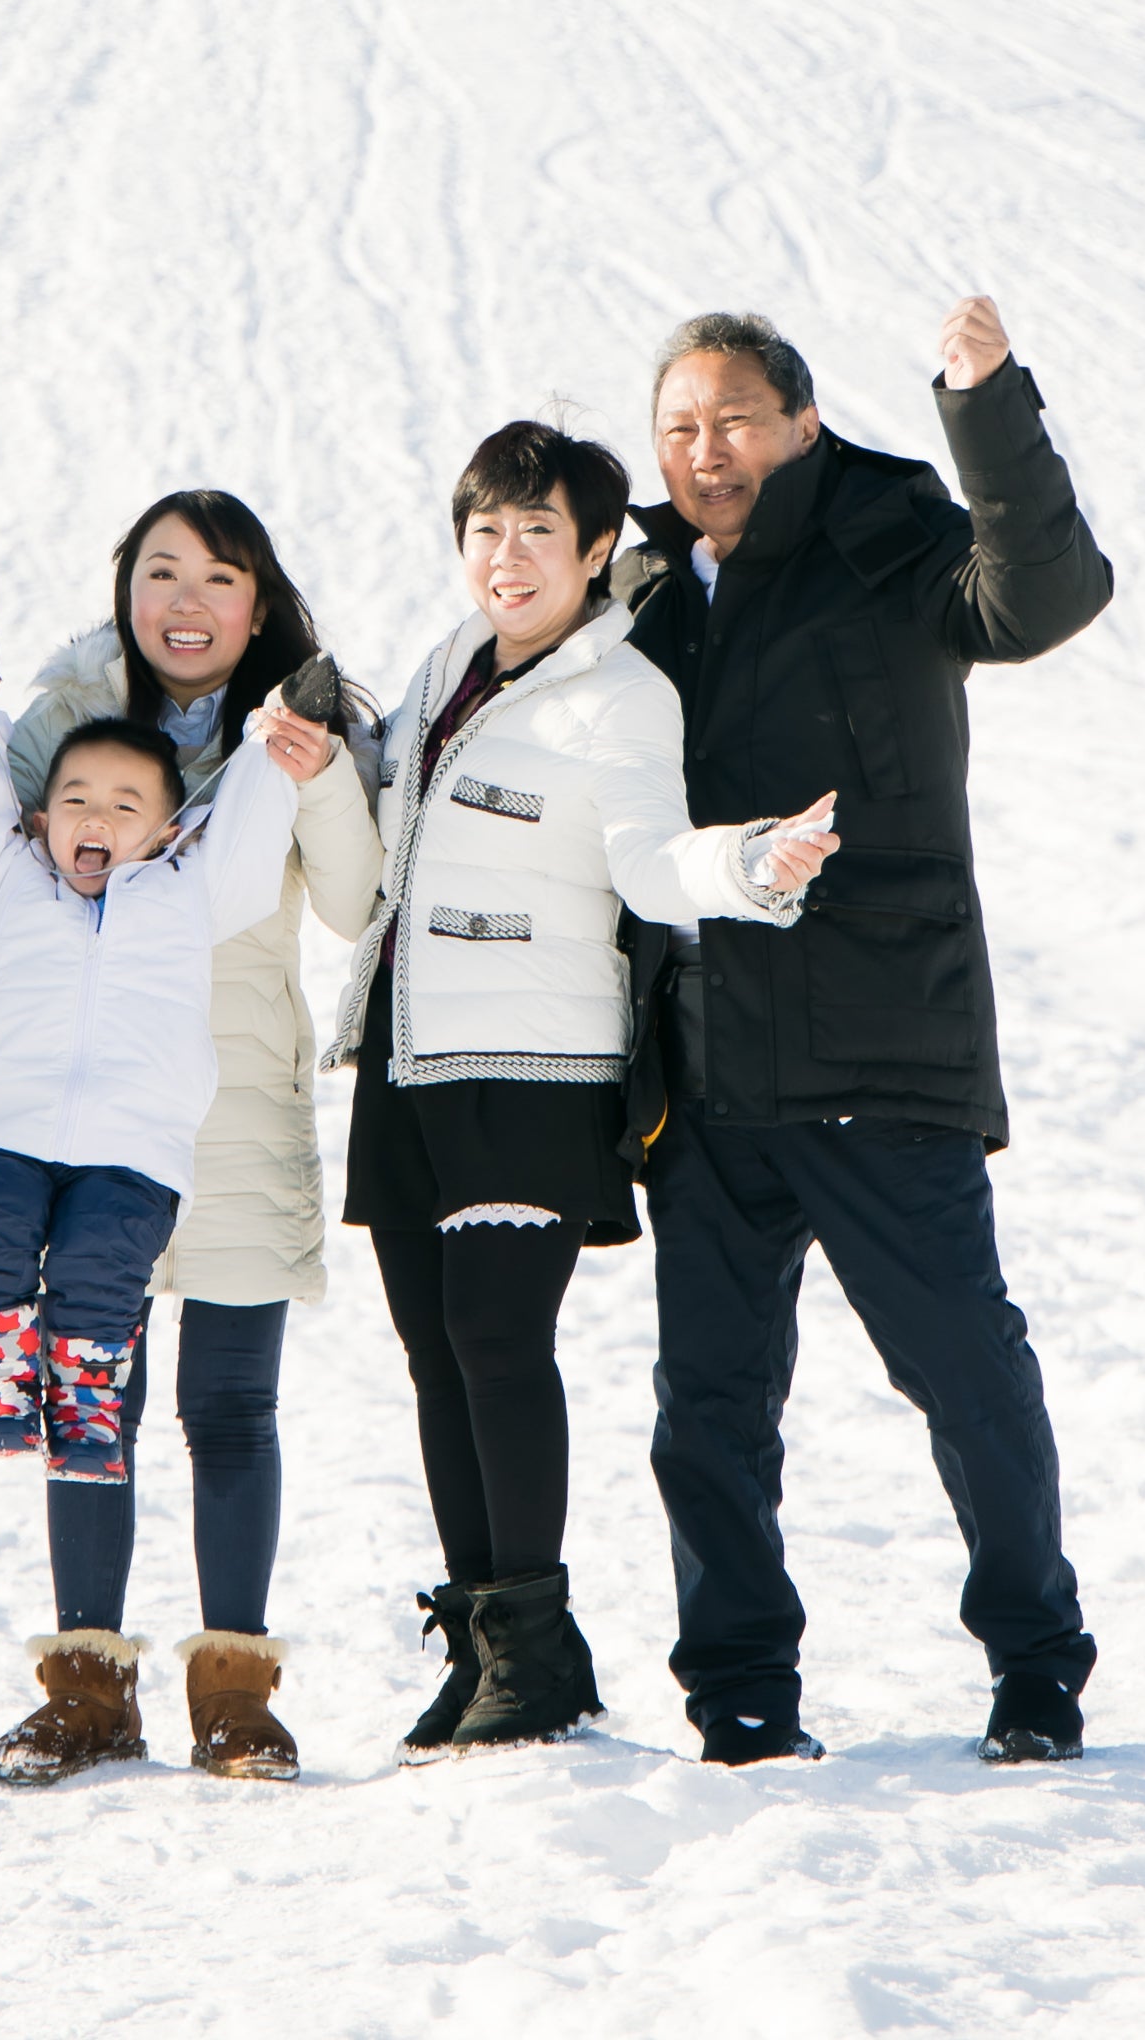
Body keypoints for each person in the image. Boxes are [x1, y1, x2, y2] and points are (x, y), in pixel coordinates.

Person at [619, 299, 1113, 1769]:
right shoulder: (636, 583)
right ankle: (741, 1694)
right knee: (707, 1406)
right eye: (682, 428)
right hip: (706, 1066)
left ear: (801, 424)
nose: (708, 451)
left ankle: (1035, 1665)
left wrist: (987, 405)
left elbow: (1044, 597)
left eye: (735, 422)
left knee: (964, 1372)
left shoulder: (891, 531)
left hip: (883, 1049)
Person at [324, 420, 840, 1758]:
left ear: (597, 548)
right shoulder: (447, 668)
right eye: (487, 530)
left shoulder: (622, 695)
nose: (509, 557)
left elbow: (652, 865)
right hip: (410, 1057)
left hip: (535, 1066)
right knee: (438, 1362)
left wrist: (752, 868)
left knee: (500, 1346)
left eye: (539, 531)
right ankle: (489, 1639)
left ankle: (539, 1654)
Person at [0, 492, 381, 1781]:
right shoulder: (58, 718)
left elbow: (352, 899)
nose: (185, 601)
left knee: (228, 1405)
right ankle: (86, 1686)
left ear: (259, 603)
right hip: (67, 1110)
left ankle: (236, 1691)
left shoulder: (310, 718)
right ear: (125, 591)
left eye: (218, 579)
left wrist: (318, 767)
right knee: (86, 1380)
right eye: (160, 572)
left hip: (228, 1105)